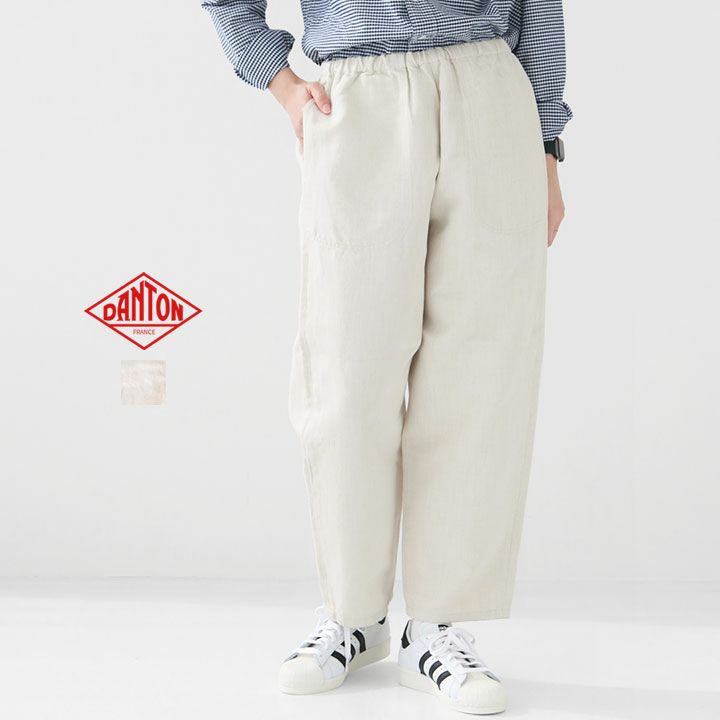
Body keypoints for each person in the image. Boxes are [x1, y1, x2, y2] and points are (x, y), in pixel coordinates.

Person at [202, 0, 571, 713]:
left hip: (491, 92)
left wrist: (546, 146)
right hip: (356, 97)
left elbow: (540, 8)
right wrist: (280, 82)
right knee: (346, 371)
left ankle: (436, 626)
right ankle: (353, 615)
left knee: (480, 374)